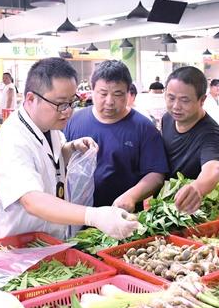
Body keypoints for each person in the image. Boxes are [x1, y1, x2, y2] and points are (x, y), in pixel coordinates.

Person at [0, 57, 139, 240]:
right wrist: (94, 216)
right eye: (60, 104)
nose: (68, 111)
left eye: (71, 102)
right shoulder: (12, 140)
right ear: (30, 99)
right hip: (22, 247)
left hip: (51, 239)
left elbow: (48, 159)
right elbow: (32, 200)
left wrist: (71, 148)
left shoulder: (49, 127)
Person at [64, 60, 168, 213]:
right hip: (77, 215)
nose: (109, 101)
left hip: (121, 216)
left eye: (118, 94)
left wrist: (132, 196)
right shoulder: (74, 121)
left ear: (128, 93)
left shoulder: (144, 127)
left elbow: (156, 174)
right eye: (103, 93)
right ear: (92, 91)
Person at [161, 66, 219, 214]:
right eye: (171, 98)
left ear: (202, 100)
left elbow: (213, 168)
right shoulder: (167, 118)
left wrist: (198, 187)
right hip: (164, 202)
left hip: (191, 208)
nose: (176, 106)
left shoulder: (211, 133)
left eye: (185, 100)